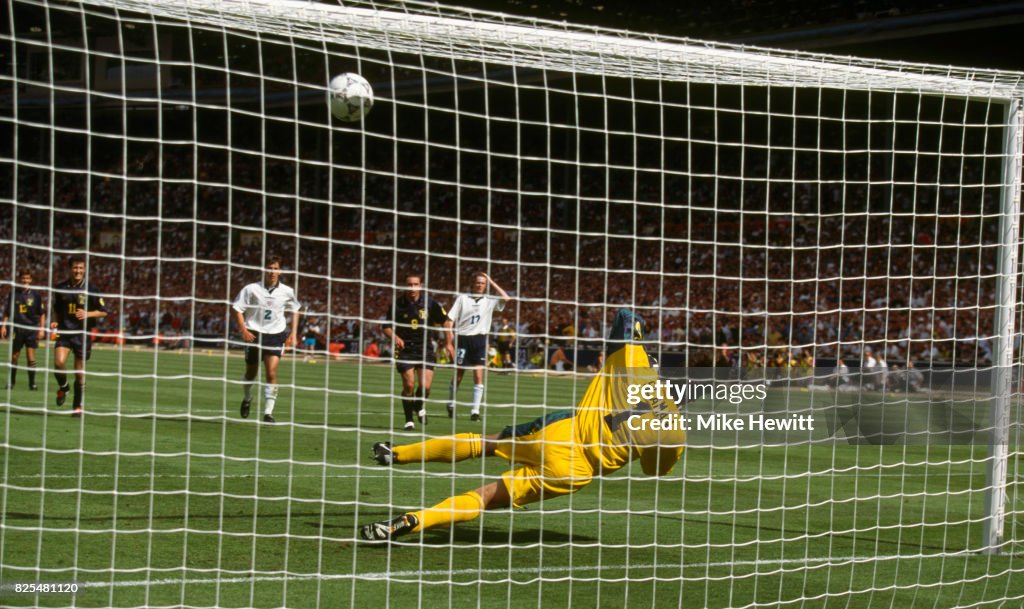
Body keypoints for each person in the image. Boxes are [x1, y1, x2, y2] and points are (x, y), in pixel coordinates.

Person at [359, 309, 685, 541]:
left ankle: (398, 454)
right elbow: (653, 470)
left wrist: (639, 334)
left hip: (560, 431)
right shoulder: (675, 430)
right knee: (485, 497)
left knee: (482, 444)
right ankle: (417, 520)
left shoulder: (637, 371)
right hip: (574, 472)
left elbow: (626, 319)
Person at [231, 256, 301, 424]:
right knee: (251, 372)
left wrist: (293, 333)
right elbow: (236, 308)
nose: (272, 272)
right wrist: (244, 330)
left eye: (275, 268)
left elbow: (296, 309)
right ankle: (247, 398)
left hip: (276, 335)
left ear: (280, 271)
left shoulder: (287, 291)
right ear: (264, 270)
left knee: (271, 372)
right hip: (254, 334)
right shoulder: (251, 289)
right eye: (269, 268)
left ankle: (268, 413)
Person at [383, 274, 449, 430]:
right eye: (409, 285)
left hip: (425, 348)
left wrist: (448, 342)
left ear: (420, 285)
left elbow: (445, 320)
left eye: (415, 284)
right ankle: (409, 420)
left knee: (425, 387)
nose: (412, 288)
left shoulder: (430, 303)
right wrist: (395, 337)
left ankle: (419, 405)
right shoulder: (397, 304)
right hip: (405, 349)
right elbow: (386, 326)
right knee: (409, 385)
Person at [444, 272, 511, 421]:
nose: (479, 285)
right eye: (477, 282)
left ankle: (475, 411)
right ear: (472, 284)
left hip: (480, 340)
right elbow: (449, 320)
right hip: (463, 339)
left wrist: (491, 280)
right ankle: (451, 403)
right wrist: (449, 343)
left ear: (485, 285)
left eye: (482, 283)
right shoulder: (462, 298)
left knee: (478, 375)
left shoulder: (490, 300)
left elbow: (507, 298)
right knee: (459, 375)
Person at [50, 256, 108, 416]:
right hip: (65, 332)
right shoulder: (60, 287)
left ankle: (77, 406)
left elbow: (104, 311)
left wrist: (88, 313)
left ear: (84, 269)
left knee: (79, 372)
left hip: (82, 335)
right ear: (70, 269)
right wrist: (54, 324)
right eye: (75, 268)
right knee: (59, 363)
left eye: (81, 268)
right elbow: (56, 310)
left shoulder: (91, 289)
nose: (78, 271)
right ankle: (64, 388)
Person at [2, 270, 47, 390]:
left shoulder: (36, 296)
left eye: (27, 278)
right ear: (19, 280)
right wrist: (3, 325)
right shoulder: (14, 294)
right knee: (14, 356)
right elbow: (7, 311)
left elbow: (42, 313)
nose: (25, 281)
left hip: (31, 329)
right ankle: (11, 382)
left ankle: (32, 383)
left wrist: (42, 329)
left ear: (31, 280)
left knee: (30, 357)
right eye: (23, 278)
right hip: (17, 329)